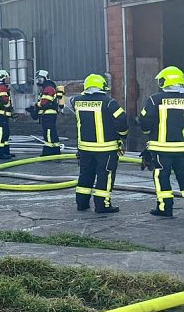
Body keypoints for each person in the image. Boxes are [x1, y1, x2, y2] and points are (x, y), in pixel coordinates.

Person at [71, 74, 129, 213]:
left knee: (85, 174)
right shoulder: (109, 102)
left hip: (84, 148)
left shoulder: (77, 101)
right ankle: (102, 205)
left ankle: (82, 203)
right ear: (103, 87)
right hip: (106, 149)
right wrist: (122, 136)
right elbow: (122, 120)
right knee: (105, 175)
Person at [139, 66, 184, 218]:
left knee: (161, 177)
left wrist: (148, 134)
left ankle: (165, 208)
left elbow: (144, 120)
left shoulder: (154, 99)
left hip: (161, 149)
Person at [31, 69, 62, 156]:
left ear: (45, 78)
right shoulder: (47, 88)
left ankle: (49, 151)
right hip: (48, 114)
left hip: (48, 115)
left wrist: (35, 104)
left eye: (40, 79)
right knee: (52, 132)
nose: (38, 81)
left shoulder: (48, 88)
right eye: (37, 79)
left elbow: (44, 103)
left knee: (48, 132)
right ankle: (56, 149)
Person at [0, 70, 15, 160]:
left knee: (5, 133)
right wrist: (10, 108)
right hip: (0, 115)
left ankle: (6, 151)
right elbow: (5, 101)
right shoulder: (1, 87)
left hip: (1, 115)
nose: (8, 80)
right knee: (1, 133)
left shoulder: (0, 87)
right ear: (2, 78)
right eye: (7, 78)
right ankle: (0, 153)